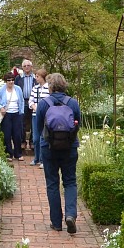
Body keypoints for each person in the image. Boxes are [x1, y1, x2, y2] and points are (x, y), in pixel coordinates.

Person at [36, 72, 82, 234]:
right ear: (64, 85)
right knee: (70, 182)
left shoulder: (43, 104)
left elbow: (39, 128)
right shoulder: (73, 103)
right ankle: (70, 215)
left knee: (52, 183)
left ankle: (56, 222)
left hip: (48, 147)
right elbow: (78, 124)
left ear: (50, 86)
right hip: (69, 147)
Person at [0, 72, 26, 162]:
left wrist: (21, 112)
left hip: (16, 114)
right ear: (5, 81)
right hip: (6, 114)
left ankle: (18, 154)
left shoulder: (18, 89)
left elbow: (21, 101)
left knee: (17, 135)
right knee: (7, 134)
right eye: (9, 80)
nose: (11, 82)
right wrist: (1, 108)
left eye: (12, 80)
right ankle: (9, 153)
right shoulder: (1, 90)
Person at [26, 68, 50, 167]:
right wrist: (35, 108)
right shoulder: (35, 88)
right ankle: (36, 158)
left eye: (37, 76)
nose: (36, 78)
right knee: (35, 138)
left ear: (43, 77)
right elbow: (30, 101)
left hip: (46, 116)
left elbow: (50, 101)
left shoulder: (49, 88)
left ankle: (43, 160)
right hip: (35, 115)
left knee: (43, 137)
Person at [18, 59, 36, 151]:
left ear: (31, 67)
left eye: (28, 65)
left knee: (34, 122)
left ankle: (32, 142)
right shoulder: (19, 78)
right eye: (24, 66)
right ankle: (23, 141)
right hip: (23, 101)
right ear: (22, 68)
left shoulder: (35, 78)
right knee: (22, 122)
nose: (26, 67)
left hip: (34, 102)